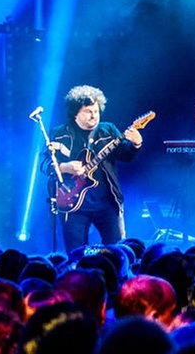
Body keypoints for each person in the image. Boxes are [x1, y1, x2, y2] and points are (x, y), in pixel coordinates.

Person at [47, 85, 144, 250]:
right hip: (73, 204)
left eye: (96, 111)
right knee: (76, 253)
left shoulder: (108, 130)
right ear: (76, 112)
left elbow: (125, 155)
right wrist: (64, 167)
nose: (94, 116)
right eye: (88, 111)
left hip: (107, 202)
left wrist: (136, 144)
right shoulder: (60, 133)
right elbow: (45, 165)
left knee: (117, 250)